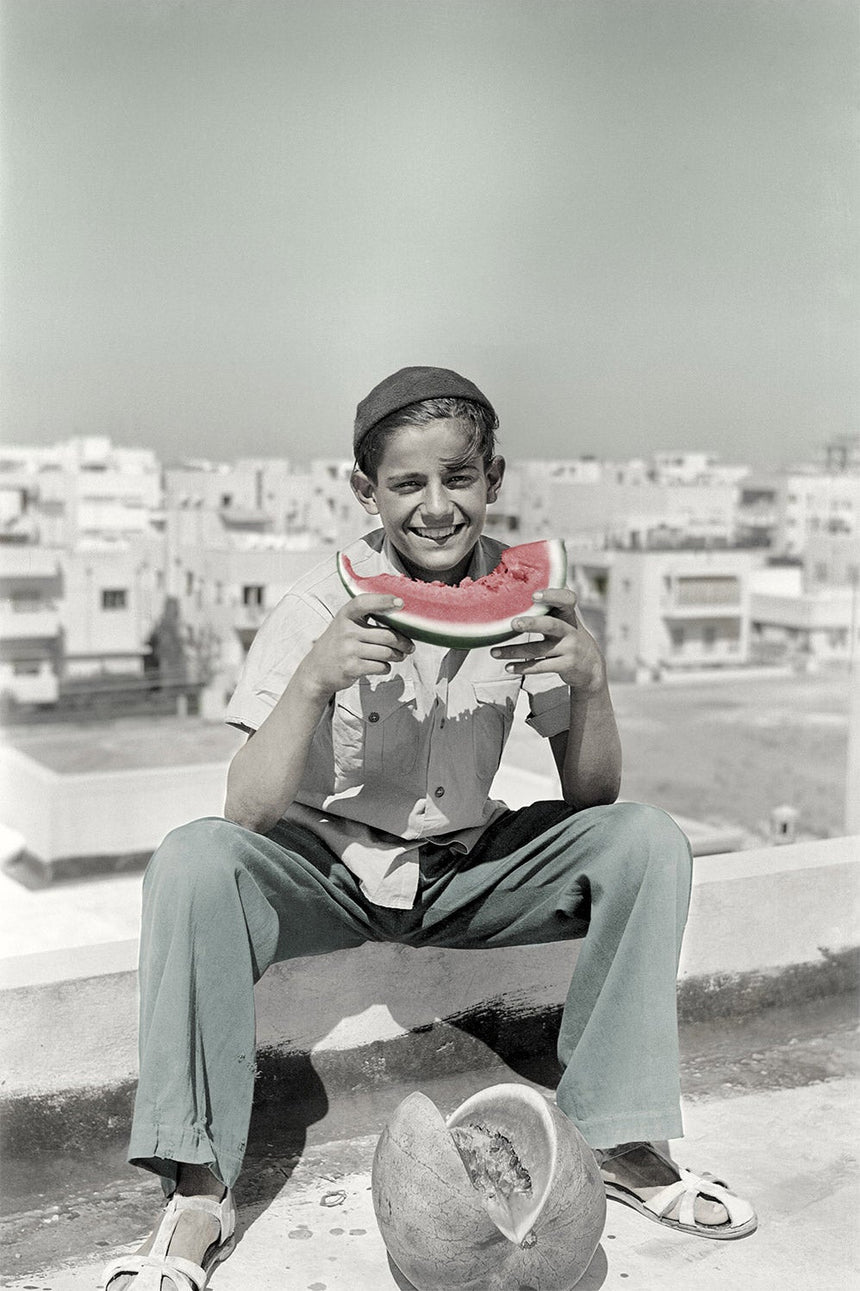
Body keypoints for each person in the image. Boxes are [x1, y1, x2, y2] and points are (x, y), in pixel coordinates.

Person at [101, 366, 756, 1290]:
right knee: (191, 860)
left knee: (647, 840)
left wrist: (594, 684)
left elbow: (593, 798)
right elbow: (242, 812)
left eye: (460, 478)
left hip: (467, 867)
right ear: (365, 491)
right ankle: (199, 1190)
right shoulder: (312, 609)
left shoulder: (532, 600)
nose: (439, 506)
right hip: (322, 867)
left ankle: (618, 1143)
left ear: (494, 477)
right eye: (409, 484)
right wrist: (314, 681)